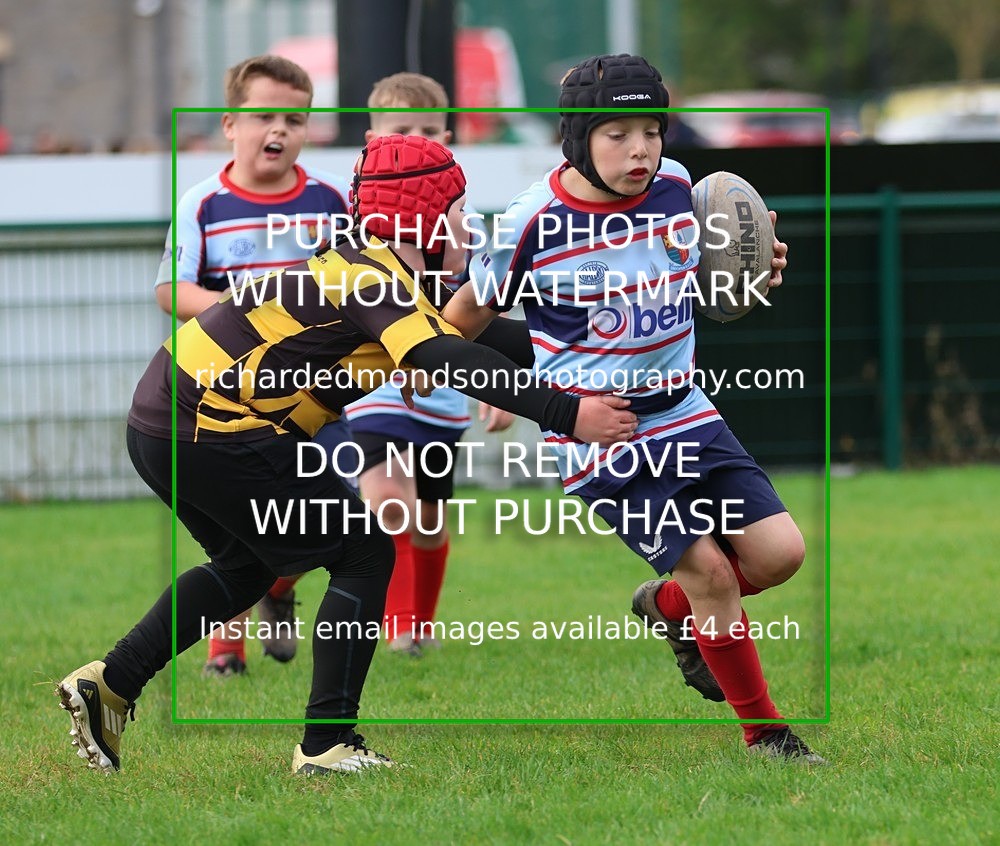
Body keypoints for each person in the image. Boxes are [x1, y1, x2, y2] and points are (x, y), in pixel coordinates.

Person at [55, 133, 637, 776]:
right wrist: (569, 413)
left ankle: (111, 683)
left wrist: (619, 326)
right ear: (425, 218)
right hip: (212, 426)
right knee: (364, 549)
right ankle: (327, 744)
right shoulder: (373, 276)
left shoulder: (373, 270)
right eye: (460, 211)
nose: (469, 227)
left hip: (164, 420)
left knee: (246, 568)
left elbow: (495, 336)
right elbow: (446, 355)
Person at [442, 53, 826, 764]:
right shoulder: (532, 223)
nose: (641, 148)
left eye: (651, 129)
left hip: (685, 412)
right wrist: (482, 388)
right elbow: (457, 322)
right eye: (617, 133)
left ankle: (667, 609)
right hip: (602, 440)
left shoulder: (685, 189)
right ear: (578, 139)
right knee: (712, 572)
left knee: (781, 556)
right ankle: (766, 735)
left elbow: (722, 274)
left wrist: (757, 266)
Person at [153, 54, 356, 676]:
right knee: (236, 520)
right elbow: (170, 289)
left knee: (322, 509)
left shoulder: (329, 200)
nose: (279, 130)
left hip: (316, 396)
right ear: (228, 125)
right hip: (226, 399)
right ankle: (225, 652)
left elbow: (360, 285)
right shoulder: (204, 203)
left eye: (294, 118)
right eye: (263, 115)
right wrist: (234, 312)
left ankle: (280, 586)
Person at [344, 72, 514, 657]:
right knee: (390, 501)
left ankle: (418, 627)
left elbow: (484, 311)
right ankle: (391, 628)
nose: (414, 142)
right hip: (373, 395)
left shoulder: (468, 232)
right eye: (400, 131)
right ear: (371, 140)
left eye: (427, 132)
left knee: (429, 519)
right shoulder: (353, 231)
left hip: (442, 403)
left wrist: (499, 387)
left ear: (447, 139)